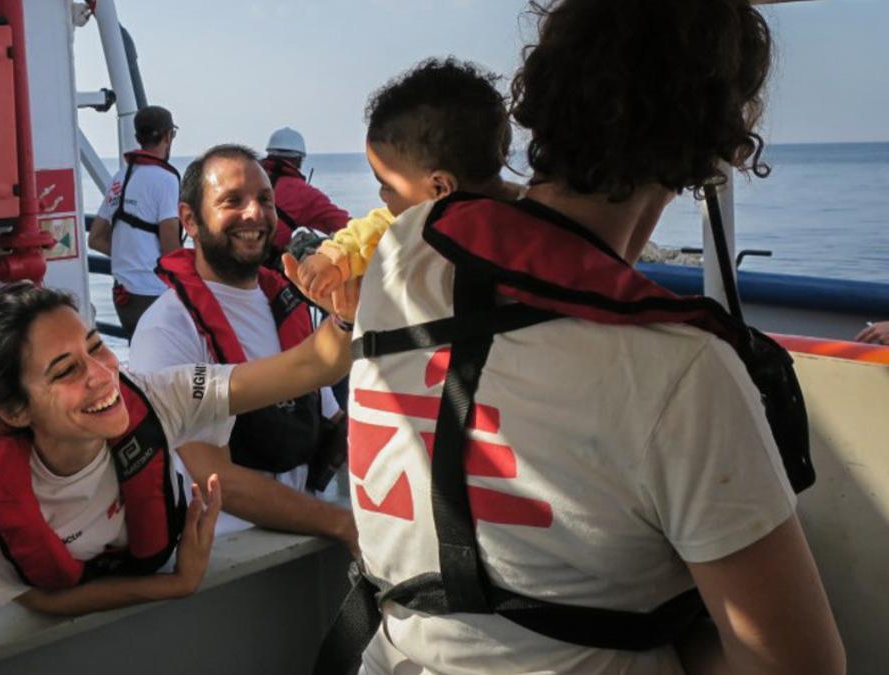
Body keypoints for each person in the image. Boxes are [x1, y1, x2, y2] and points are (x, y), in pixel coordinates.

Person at [330, 2, 845, 674]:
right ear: (718, 135)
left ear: (541, 97)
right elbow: (800, 666)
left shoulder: (402, 250)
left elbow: (509, 228)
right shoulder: (682, 371)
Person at [0, 280, 352, 618]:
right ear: (14, 411)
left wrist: (346, 314)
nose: (102, 375)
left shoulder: (158, 398)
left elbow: (310, 366)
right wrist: (174, 583)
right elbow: (38, 600)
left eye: (96, 346)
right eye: (66, 370)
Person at [129, 144, 358, 550]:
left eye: (265, 200)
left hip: (306, 532)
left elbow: (331, 415)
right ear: (190, 220)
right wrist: (343, 525)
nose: (254, 213)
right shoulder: (166, 329)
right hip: (228, 551)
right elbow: (214, 478)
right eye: (232, 201)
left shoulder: (288, 304)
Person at [288, 58, 523, 301]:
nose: (382, 196)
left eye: (386, 186)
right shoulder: (538, 214)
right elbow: (362, 237)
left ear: (440, 187)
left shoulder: (418, 222)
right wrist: (331, 258)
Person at [87, 105, 182, 339]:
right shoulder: (166, 180)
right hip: (153, 293)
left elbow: (95, 239)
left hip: (123, 295)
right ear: (167, 136)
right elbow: (171, 250)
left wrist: (130, 256)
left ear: (139, 137)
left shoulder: (121, 176)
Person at [260, 127, 351, 265]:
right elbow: (344, 225)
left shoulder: (247, 177)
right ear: (298, 160)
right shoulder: (302, 193)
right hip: (261, 269)